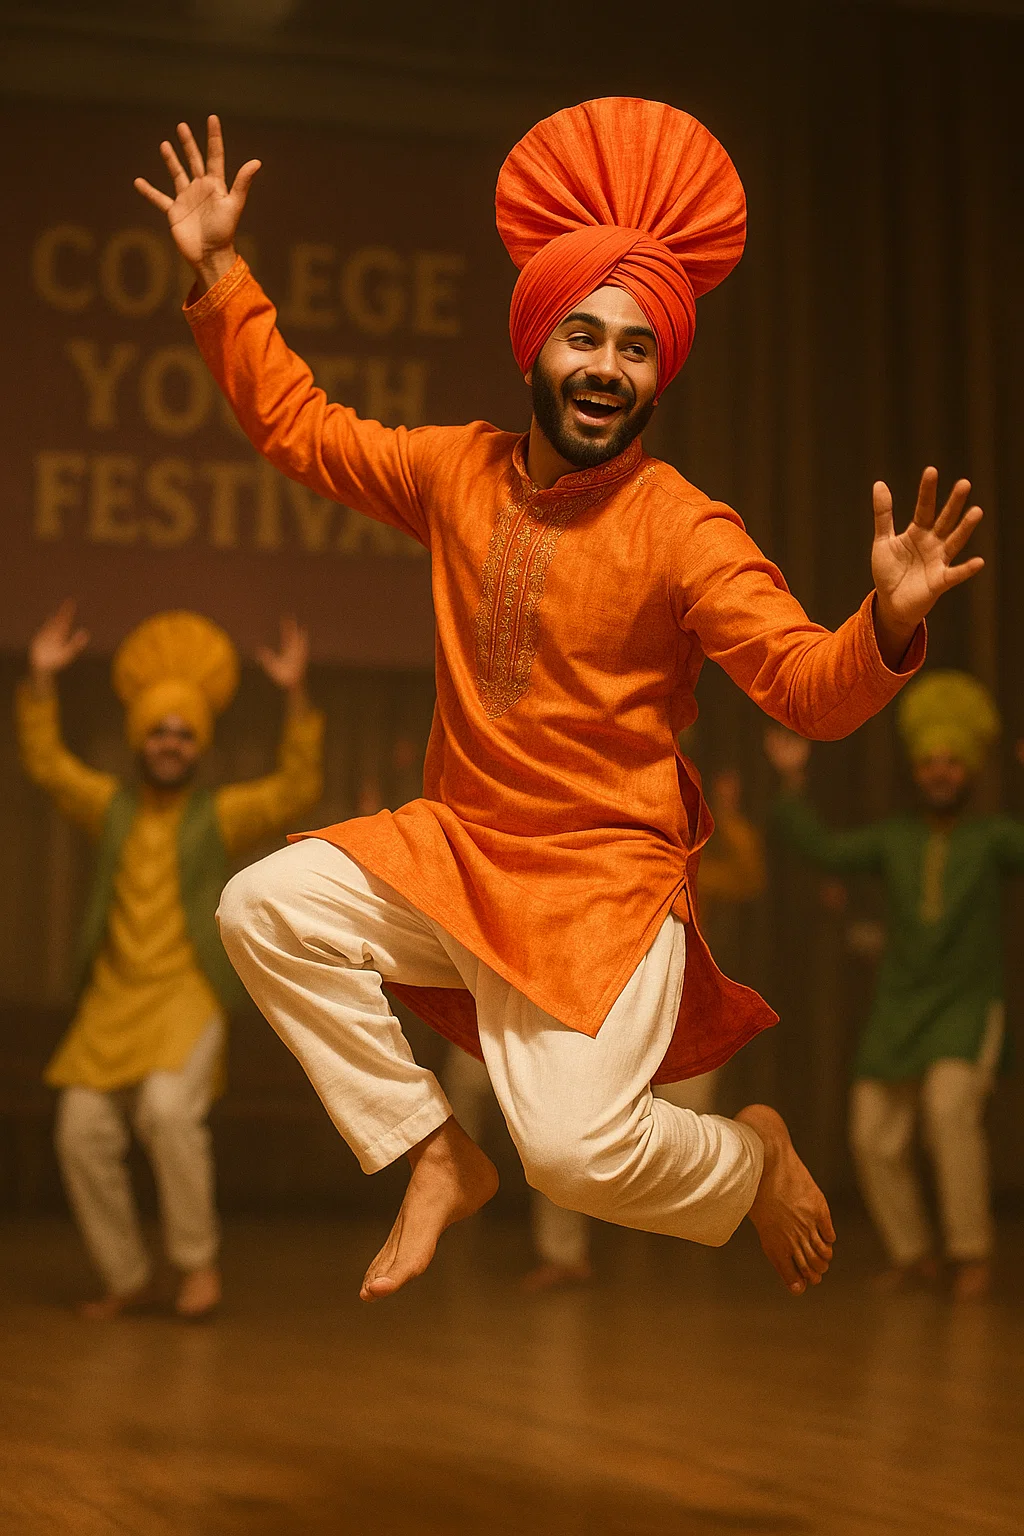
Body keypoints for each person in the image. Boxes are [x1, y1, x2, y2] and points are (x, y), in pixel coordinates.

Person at [134, 100, 982, 1305]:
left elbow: (807, 691)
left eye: (635, 349)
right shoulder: (455, 472)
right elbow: (299, 428)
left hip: (600, 892)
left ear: (658, 374)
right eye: (583, 337)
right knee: (262, 906)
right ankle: (434, 1150)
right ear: (534, 347)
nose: (605, 368)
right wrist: (220, 270)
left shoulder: (682, 529)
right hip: (460, 859)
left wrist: (886, 622)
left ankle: (751, 1156)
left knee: (574, 1160)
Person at [16, 604, 324, 1319]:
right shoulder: (110, 808)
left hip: (188, 994)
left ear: (198, 745)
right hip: (113, 1002)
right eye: (160, 731)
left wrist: (295, 693)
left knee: (165, 1111)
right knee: (79, 1130)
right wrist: (39, 678)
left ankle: (196, 1266)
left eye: (184, 734)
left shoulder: (215, 816)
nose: (171, 743)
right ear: (140, 738)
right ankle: (126, 1277)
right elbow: (48, 765)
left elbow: (294, 787)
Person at [443, 769, 767, 1291]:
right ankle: (562, 1254)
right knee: (556, 1118)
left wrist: (725, 815)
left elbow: (749, 877)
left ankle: (702, 1217)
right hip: (588, 1001)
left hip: (678, 1010)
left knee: (685, 1122)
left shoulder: (687, 862)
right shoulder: (579, 848)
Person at [765, 671, 1020, 1301]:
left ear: (968, 770)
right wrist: (792, 784)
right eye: (929, 762)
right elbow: (826, 849)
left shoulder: (991, 838)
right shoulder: (894, 839)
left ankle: (969, 1253)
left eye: (950, 762)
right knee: (872, 1135)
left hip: (966, 1007)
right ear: (916, 769)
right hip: (900, 1008)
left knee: (948, 1113)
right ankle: (913, 1256)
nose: (939, 773)